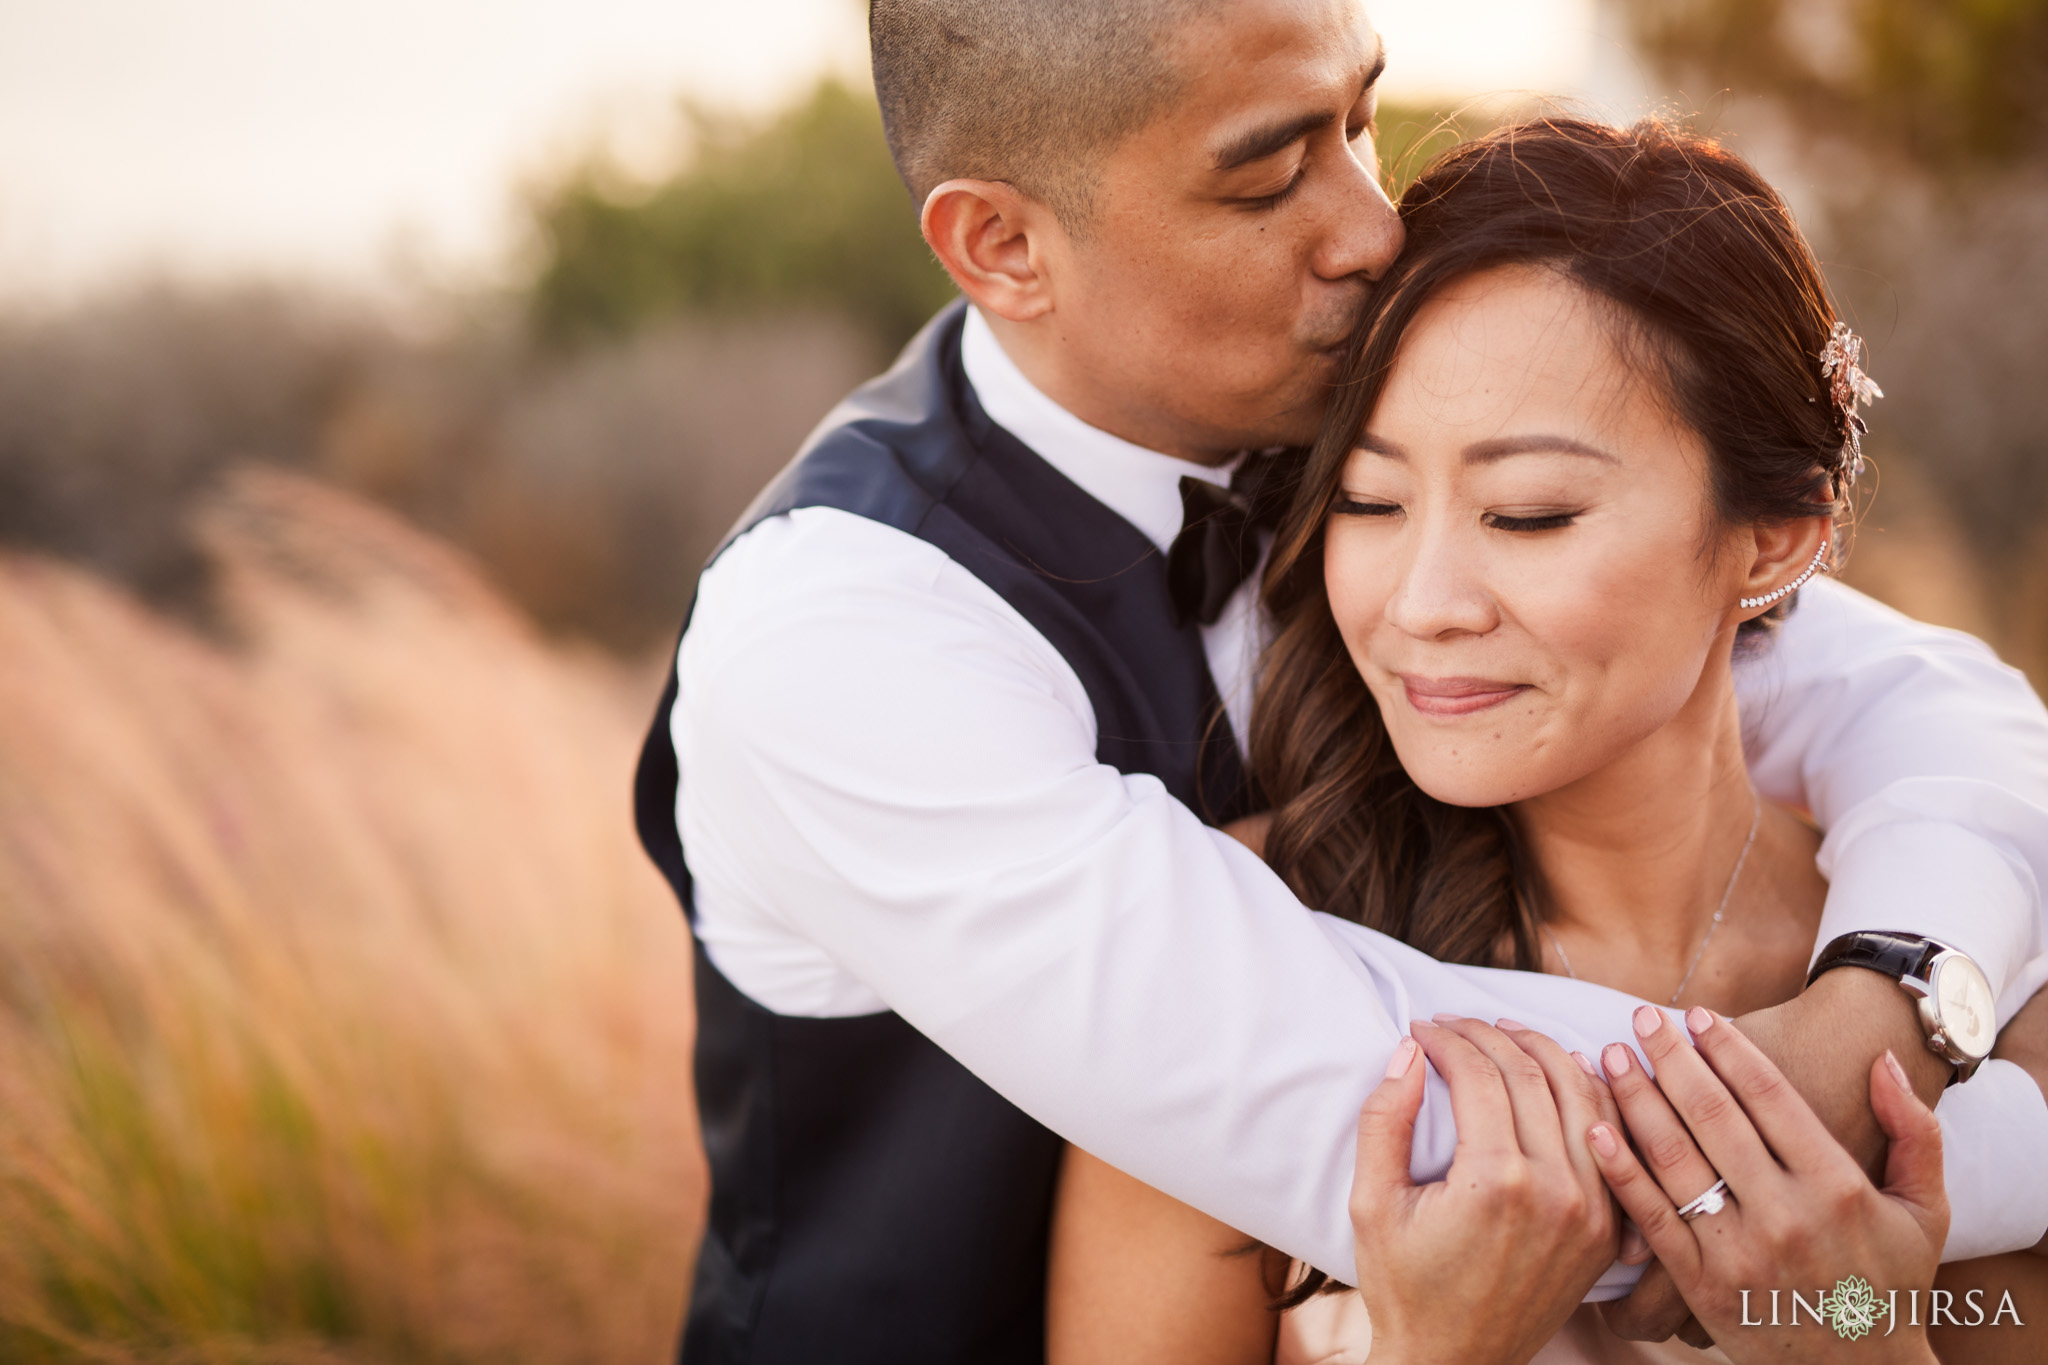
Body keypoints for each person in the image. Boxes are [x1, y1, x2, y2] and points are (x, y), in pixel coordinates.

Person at [631, 1, 2048, 1358]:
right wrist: (1946, 1133)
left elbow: (1926, 704)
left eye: (1360, 120)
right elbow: (1435, 1152)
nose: (1376, 228)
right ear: (1002, 243)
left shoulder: (1382, 417)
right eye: (1266, 180)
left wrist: (1894, 992)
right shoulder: (836, 628)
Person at [1045, 116, 2048, 1365]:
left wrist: (1843, 1332)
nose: (1419, 603)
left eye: (1526, 514)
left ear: (1774, 538)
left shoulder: (1980, 1014)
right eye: (1367, 499)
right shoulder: (1231, 962)